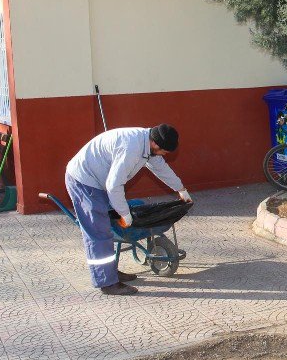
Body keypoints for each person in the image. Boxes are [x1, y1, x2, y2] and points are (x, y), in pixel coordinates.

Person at [65, 124, 192, 296]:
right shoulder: (131, 148)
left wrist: (181, 189)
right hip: (84, 180)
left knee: (108, 225)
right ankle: (107, 283)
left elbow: (160, 167)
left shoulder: (147, 143)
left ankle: (110, 272)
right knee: (99, 232)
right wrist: (125, 214)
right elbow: (114, 185)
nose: (164, 156)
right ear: (156, 145)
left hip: (100, 179)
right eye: (164, 152)